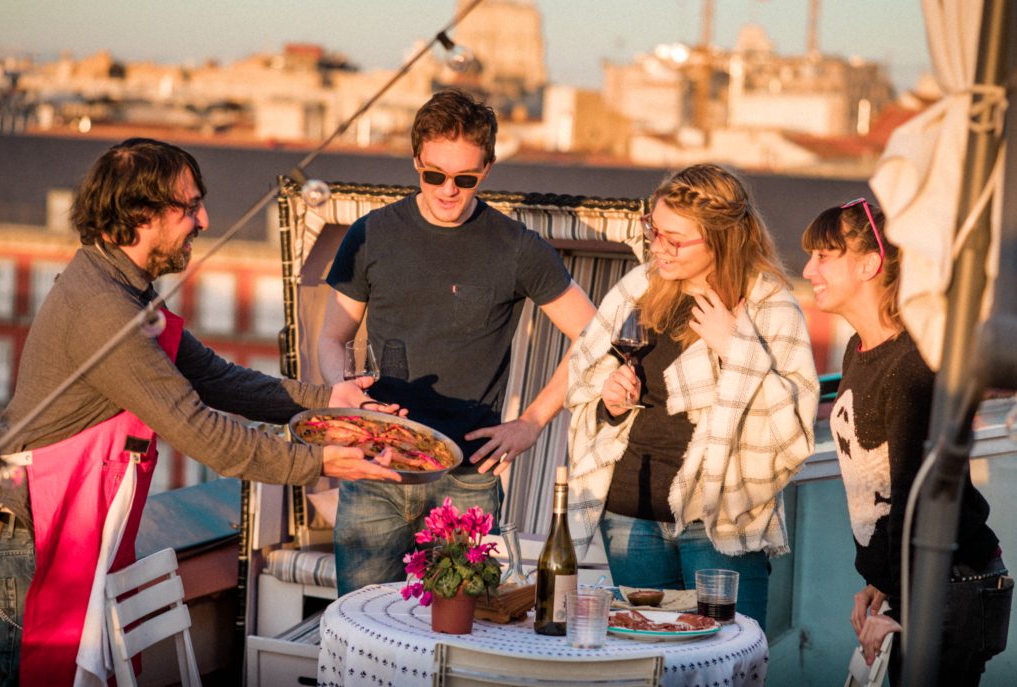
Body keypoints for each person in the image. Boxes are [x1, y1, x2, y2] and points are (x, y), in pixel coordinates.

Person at [0, 138, 403, 687]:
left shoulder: (121, 288)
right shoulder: (104, 309)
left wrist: (330, 400)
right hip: (35, 540)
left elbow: (215, 379)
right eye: (189, 206)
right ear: (141, 214)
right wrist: (321, 462)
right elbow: (200, 431)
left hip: (64, 525)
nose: (204, 219)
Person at [318, 89, 596, 595]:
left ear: (486, 169)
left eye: (464, 178)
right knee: (361, 625)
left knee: (459, 635)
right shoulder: (371, 234)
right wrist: (343, 391)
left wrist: (531, 423)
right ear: (415, 161)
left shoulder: (517, 248)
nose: (448, 190)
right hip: (376, 466)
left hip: (468, 479)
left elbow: (594, 336)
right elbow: (333, 338)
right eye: (434, 175)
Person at [565, 164, 819, 628]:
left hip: (721, 522)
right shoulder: (637, 290)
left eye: (674, 239)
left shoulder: (771, 308)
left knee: (725, 662)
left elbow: (794, 434)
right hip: (630, 515)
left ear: (722, 238)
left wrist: (736, 347)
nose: (657, 246)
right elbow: (584, 376)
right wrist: (612, 402)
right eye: (653, 230)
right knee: (644, 661)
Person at [802, 199, 1011, 684]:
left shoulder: (912, 366)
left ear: (869, 264)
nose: (809, 268)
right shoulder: (860, 349)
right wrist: (879, 580)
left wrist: (904, 603)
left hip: (948, 585)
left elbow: (915, 498)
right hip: (915, 586)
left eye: (824, 256)